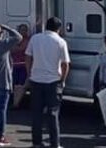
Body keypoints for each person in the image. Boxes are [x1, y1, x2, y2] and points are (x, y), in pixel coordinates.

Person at [27, 17, 70, 148]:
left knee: (36, 114)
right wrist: (63, 80)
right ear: (59, 28)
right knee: (53, 114)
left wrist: (29, 73)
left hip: (36, 79)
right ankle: (55, 143)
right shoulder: (60, 42)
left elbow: (28, 56)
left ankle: (36, 142)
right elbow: (65, 64)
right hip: (53, 81)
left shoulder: (35, 38)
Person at [11, 24, 32, 108]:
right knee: (15, 85)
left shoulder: (28, 40)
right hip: (14, 65)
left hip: (23, 65)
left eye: (25, 30)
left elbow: (18, 48)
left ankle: (16, 103)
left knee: (21, 85)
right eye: (22, 30)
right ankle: (15, 102)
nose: (23, 31)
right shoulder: (14, 40)